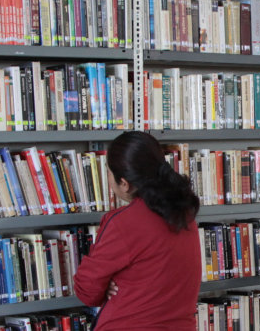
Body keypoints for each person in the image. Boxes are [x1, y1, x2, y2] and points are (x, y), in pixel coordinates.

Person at [73, 131, 202, 330]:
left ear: (124, 183)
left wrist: (108, 285)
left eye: (108, 171)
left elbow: (87, 291)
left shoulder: (122, 222)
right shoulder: (185, 214)